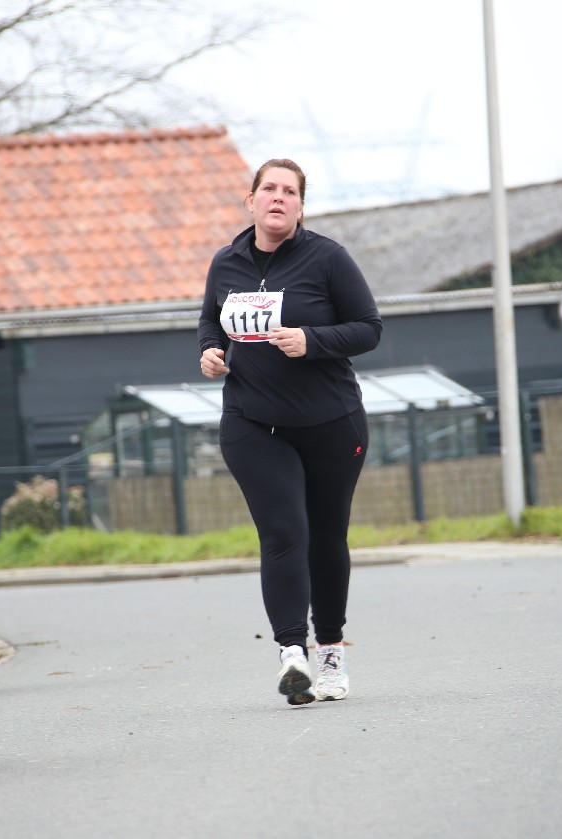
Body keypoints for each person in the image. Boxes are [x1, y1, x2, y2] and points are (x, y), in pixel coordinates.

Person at [197, 159, 381, 704]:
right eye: (269, 189)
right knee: (282, 532)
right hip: (253, 422)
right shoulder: (225, 262)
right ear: (250, 200)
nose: (278, 197)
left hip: (330, 422)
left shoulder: (328, 258)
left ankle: (331, 652)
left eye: (290, 191)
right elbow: (210, 319)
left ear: (301, 206)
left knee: (325, 536)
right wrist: (209, 351)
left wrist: (312, 341)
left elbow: (368, 328)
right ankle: (291, 653)